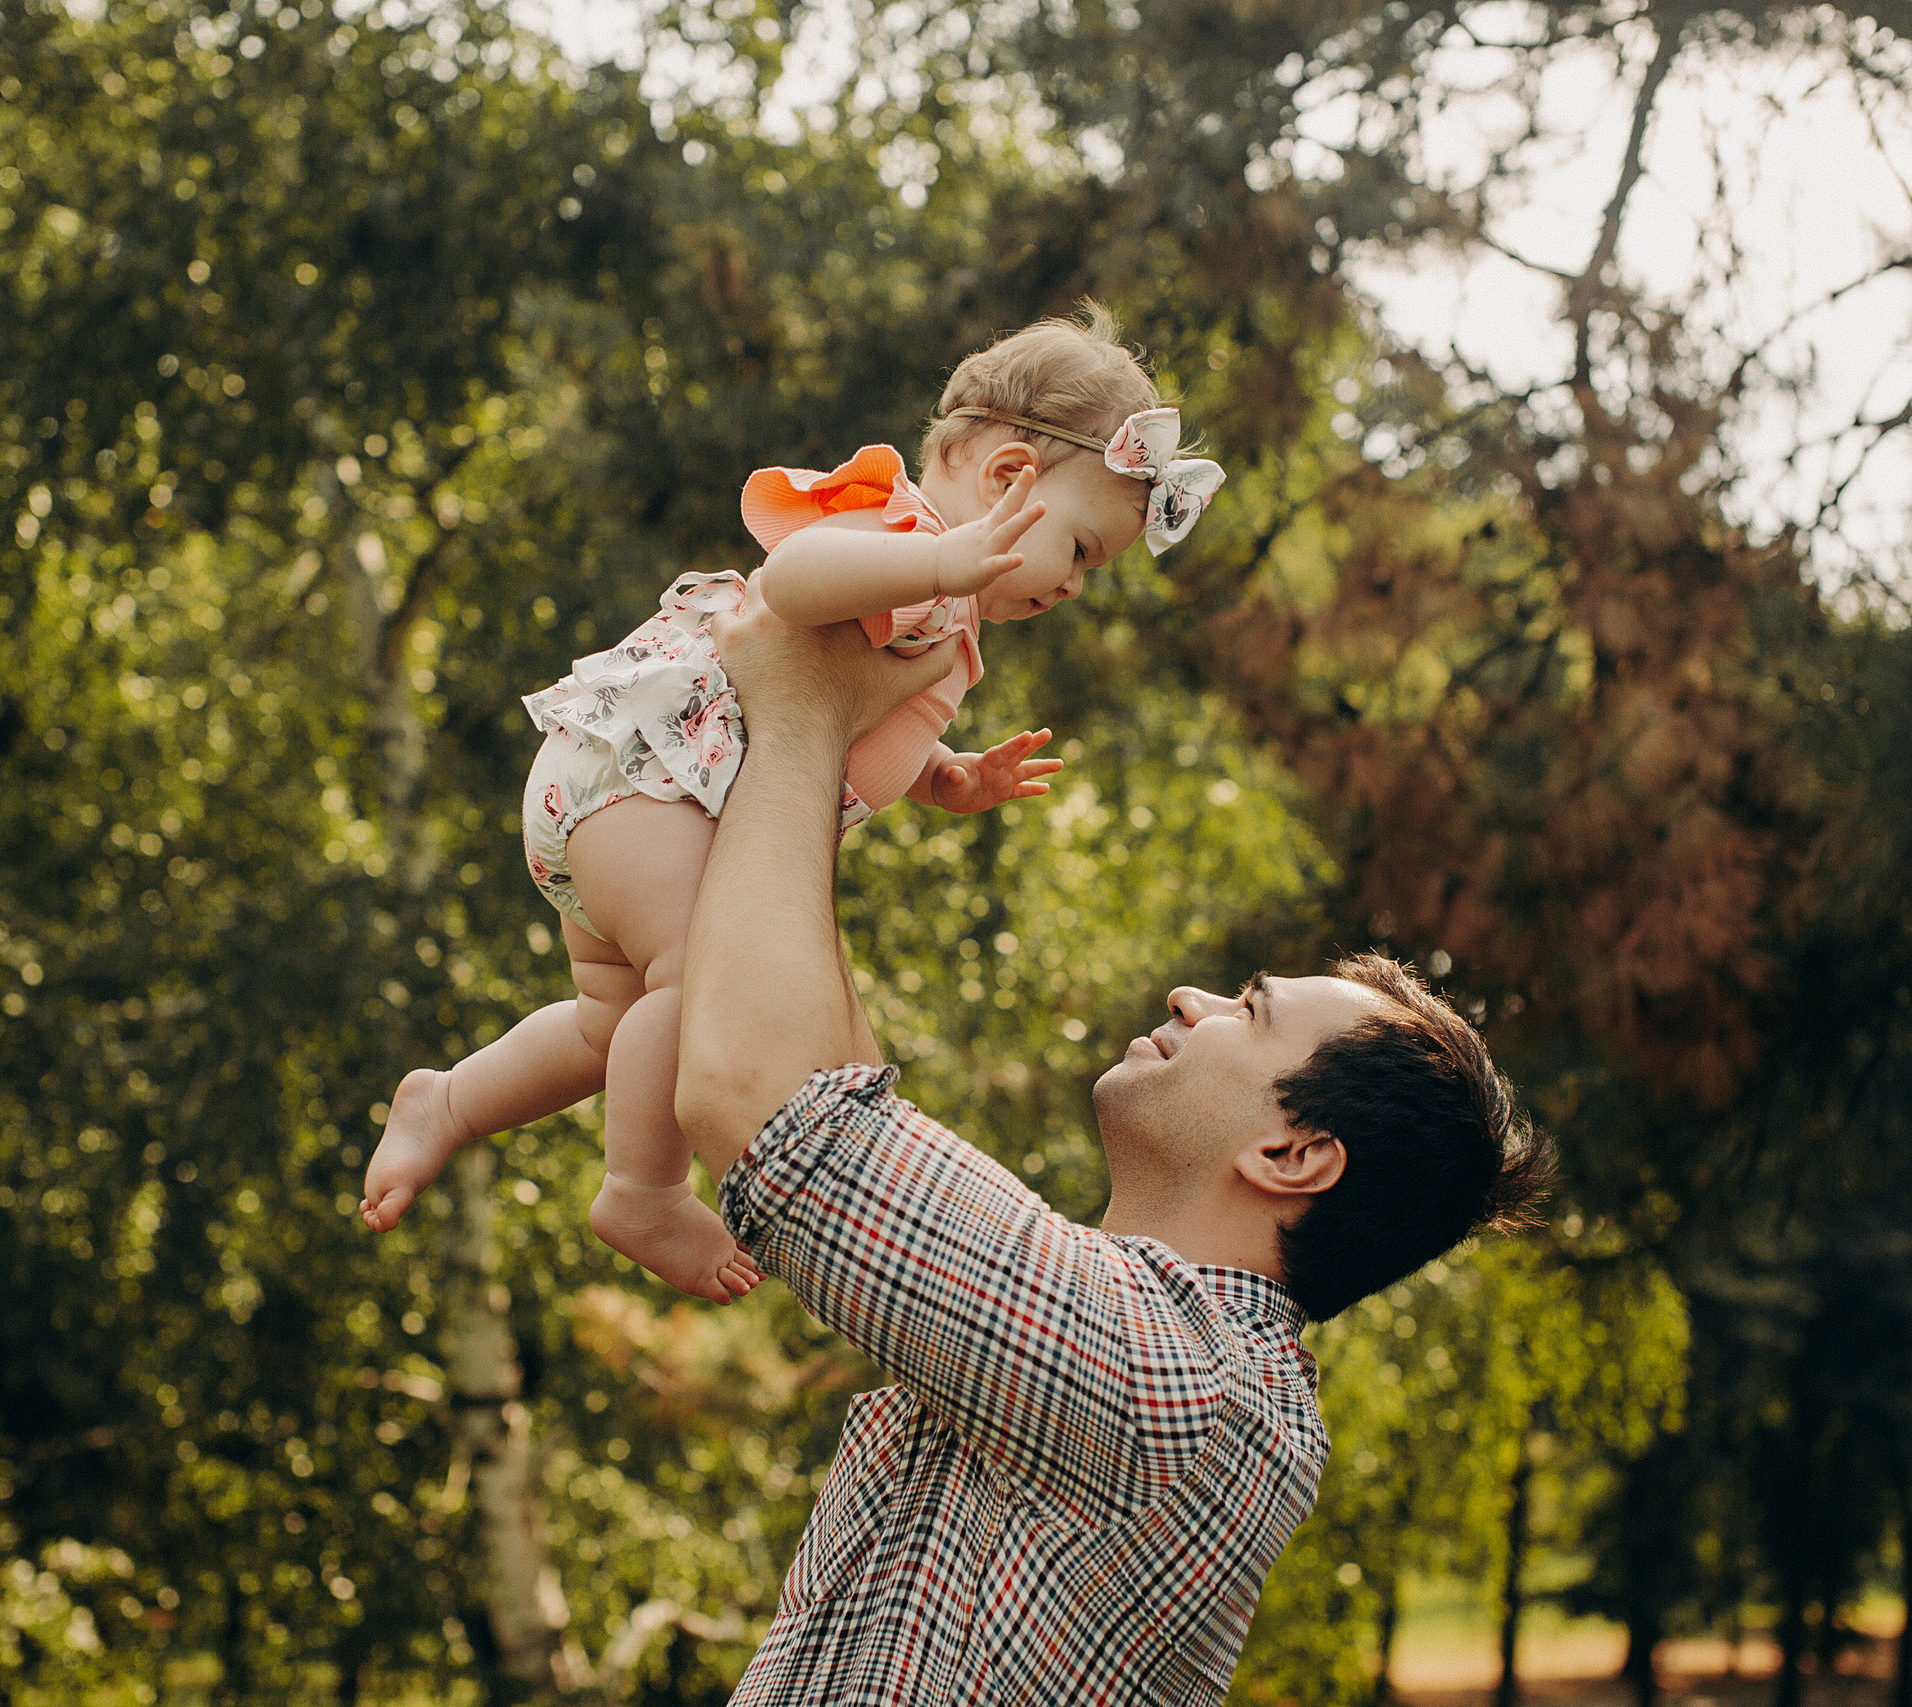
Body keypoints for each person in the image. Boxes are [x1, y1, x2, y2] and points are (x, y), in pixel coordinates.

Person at [673, 603, 1555, 1706]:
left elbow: (767, 1104)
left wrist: (802, 702)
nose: (1192, 996)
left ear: (1293, 1153)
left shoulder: (1178, 1387)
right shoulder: (1169, 1363)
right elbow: (834, 1086)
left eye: (1248, 1008)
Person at [359, 305, 1228, 1305]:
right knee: (700, 989)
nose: (1076, 586)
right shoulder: (908, 537)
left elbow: (847, 703)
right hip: (649, 789)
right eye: (1078, 550)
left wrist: (944, 775)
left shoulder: (932, 597)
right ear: (1003, 481)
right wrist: (942, 566)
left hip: (619, 804)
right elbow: (799, 580)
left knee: (617, 1027)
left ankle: (453, 1103)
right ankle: (641, 1189)